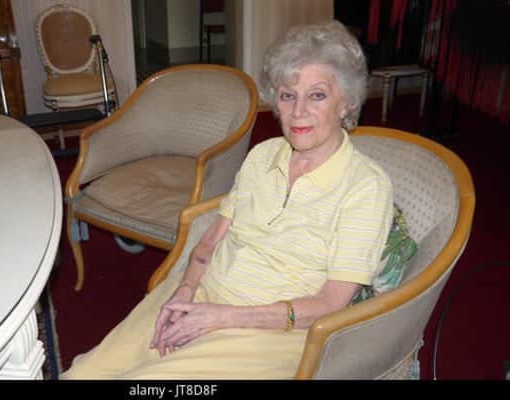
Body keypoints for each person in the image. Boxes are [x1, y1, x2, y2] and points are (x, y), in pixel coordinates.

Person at [60, 20, 393, 379]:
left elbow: (331, 304)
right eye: (287, 95)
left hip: (272, 332)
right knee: (83, 374)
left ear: (346, 103)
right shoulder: (263, 156)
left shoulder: (365, 187)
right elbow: (209, 242)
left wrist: (222, 318)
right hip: (203, 293)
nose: (298, 112)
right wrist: (186, 289)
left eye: (317, 95)